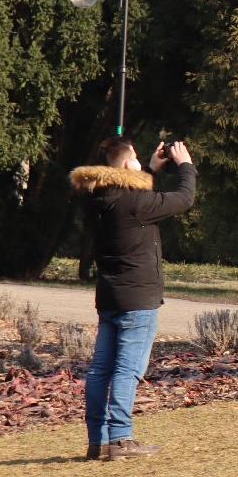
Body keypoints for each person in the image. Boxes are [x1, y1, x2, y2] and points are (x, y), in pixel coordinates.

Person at [70, 136, 196, 460]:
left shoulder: (96, 197)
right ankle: (122, 439)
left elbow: (132, 196)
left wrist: (152, 168)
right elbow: (184, 198)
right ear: (126, 165)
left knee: (101, 369)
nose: (141, 162)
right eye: (137, 158)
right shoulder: (135, 205)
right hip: (138, 298)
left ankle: (98, 441)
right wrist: (185, 166)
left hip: (110, 296)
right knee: (127, 370)